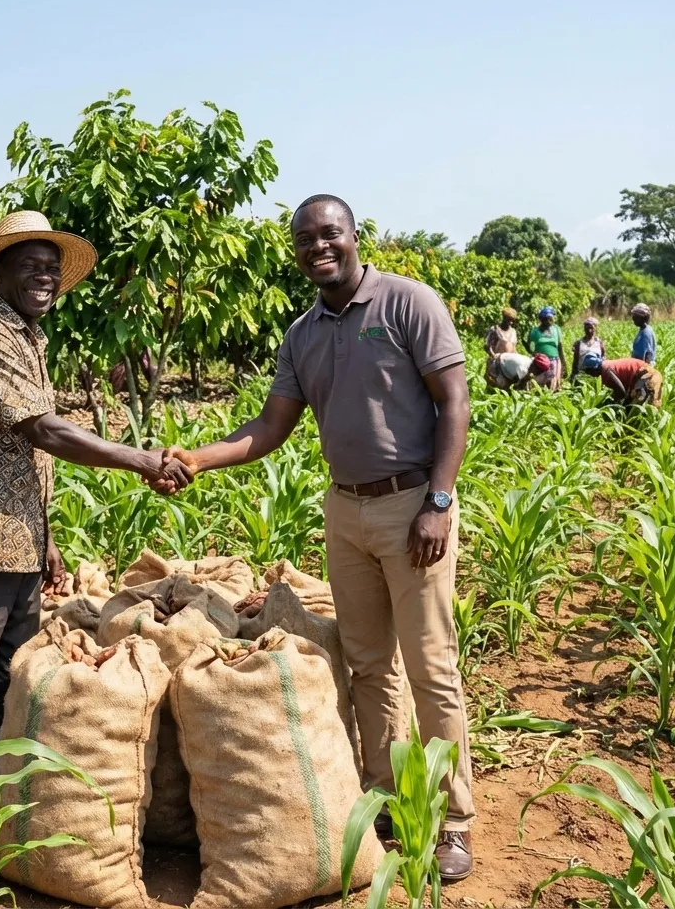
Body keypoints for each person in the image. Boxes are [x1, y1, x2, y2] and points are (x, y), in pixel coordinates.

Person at [157, 194, 476, 881]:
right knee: (367, 666)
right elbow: (268, 430)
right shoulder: (303, 334)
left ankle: (452, 822)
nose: (317, 248)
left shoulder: (407, 303)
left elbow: (454, 401)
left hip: (412, 504)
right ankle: (386, 797)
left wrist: (439, 501)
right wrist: (198, 458)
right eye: (305, 239)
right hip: (346, 511)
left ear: (356, 235)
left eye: (329, 234)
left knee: (431, 669)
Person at [0, 210, 191, 839]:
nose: (44, 277)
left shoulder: (29, 339)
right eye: (29, 265)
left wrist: (46, 541)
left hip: (15, 544)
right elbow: (44, 430)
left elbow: (25, 456)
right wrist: (141, 460)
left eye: (51, 268)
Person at [581, 353, 662, 408]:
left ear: (594, 369)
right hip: (642, 372)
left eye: (589, 372)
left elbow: (621, 391)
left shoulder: (606, 371)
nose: (589, 375)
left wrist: (616, 404)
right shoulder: (605, 366)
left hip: (643, 374)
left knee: (635, 407)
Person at [525, 307, 563, 389]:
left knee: (554, 383)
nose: (548, 321)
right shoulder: (535, 331)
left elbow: (560, 347)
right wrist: (533, 353)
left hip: (554, 360)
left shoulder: (556, 329)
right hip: (540, 361)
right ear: (541, 319)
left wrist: (563, 363)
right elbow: (529, 346)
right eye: (546, 319)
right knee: (535, 382)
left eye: (550, 319)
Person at [570, 317, 605, 381]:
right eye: (587, 328)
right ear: (584, 329)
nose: (589, 330)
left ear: (595, 328)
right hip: (582, 373)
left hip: (596, 374)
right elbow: (575, 361)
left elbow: (603, 357)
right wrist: (573, 374)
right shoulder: (578, 343)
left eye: (591, 327)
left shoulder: (599, 343)